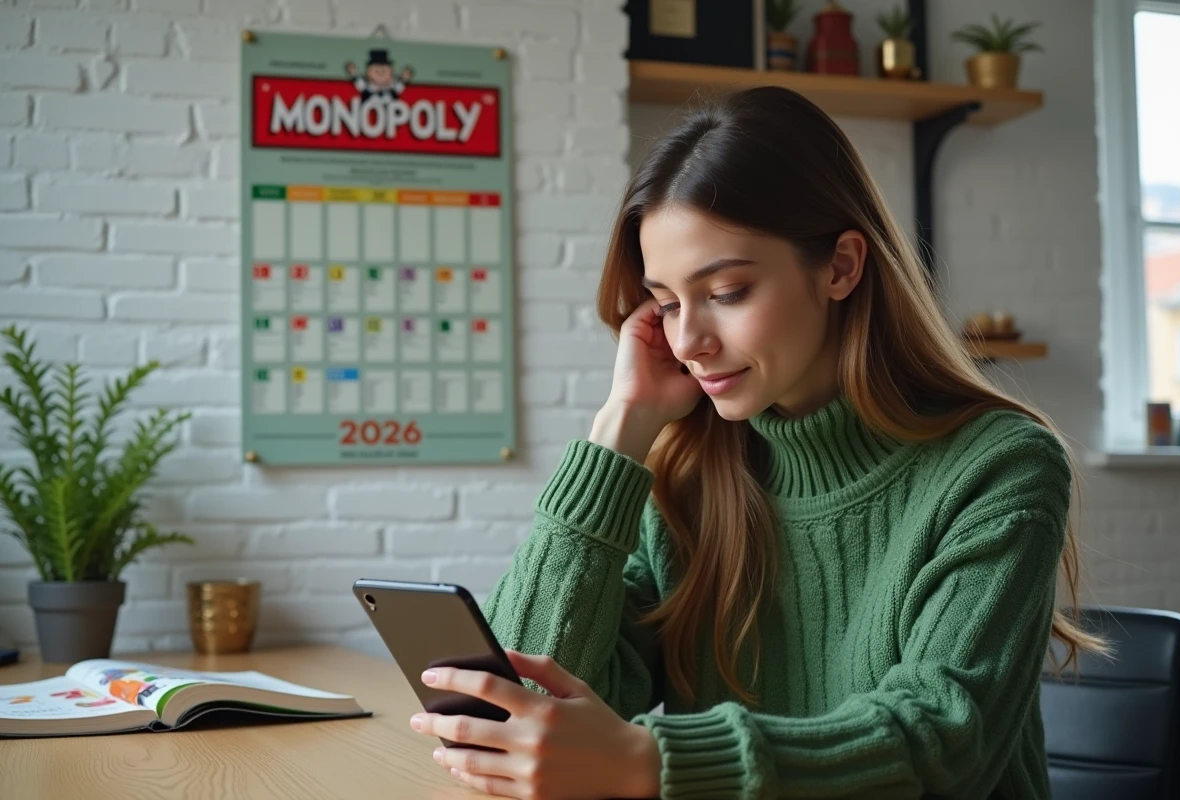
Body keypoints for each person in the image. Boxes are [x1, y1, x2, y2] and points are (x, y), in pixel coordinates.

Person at [408, 86, 1109, 799]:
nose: (688, 341)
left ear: (841, 266)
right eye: (668, 302)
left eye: (728, 290)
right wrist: (620, 430)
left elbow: (943, 742)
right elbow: (516, 708)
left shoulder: (999, 466)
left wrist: (647, 763)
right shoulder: (688, 474)